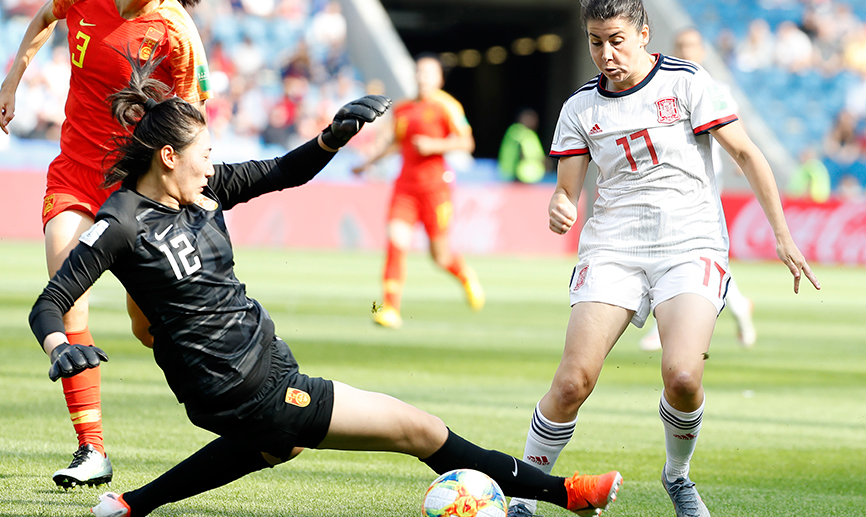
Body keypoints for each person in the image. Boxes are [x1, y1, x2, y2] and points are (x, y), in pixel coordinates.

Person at [28, 55, 623, 517]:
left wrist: (333, 136)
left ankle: (131, 505)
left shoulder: (205, 190)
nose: (213, 164)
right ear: (166, 157)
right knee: (419, 430)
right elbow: (51, 303)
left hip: (257, 375)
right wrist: (62, 346)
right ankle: (566, 492)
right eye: (204, 154)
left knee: (276, 446)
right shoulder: (121, 221)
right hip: (243, 386)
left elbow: (283, 171)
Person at [506, 1, 820, 517]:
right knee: (571, 382)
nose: (605, 54)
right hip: (612, 248)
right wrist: (561, 204)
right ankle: (527, 493)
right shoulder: (580, 108)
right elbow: (568, 191)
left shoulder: (686, 82)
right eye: (594, 42)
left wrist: (782, 235)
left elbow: (746, 153)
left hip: (689, 244)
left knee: (682, 377)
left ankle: (677, 476)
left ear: (645, 34)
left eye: (616, 40)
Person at [0, 0, 211, 488]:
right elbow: (42, 20)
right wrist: (12, 81)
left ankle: (221, 386)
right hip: (74, 177)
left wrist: (188, 194)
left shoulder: (175, 28)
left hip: (137, 194)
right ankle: (91, 447)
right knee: (67, 300)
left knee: (147, 327)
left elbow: (194, 119)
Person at [638, 26, 756, 351]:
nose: (686, 51)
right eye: (680, 45)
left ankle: (664, 329)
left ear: (702, 51)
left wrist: (740, 158)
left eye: (691, 45)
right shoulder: (663, 88)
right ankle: (738, 305)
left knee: (684, 256)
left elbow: (736, 128)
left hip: (702, 189)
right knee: (676, 256)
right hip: (666, 187)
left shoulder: (714, 88)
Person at [352, 54, 484, 329]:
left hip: (436, 190)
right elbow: (396, 145)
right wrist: (366, 163)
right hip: (405, 188)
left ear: (439, 79)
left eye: (428, 73)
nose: (422, 77)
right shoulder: (402, 109)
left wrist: (435, 146)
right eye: (419, 72)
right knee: (395, 244)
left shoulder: (447, 106)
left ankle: (465, 275)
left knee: (440, 256)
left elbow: (466, 142)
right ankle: (390, 308)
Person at [498, 108, 548, 183]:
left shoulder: (530, 134)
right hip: (519, 175)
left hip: (530, 175)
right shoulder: (517, 131)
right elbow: (523, 152)